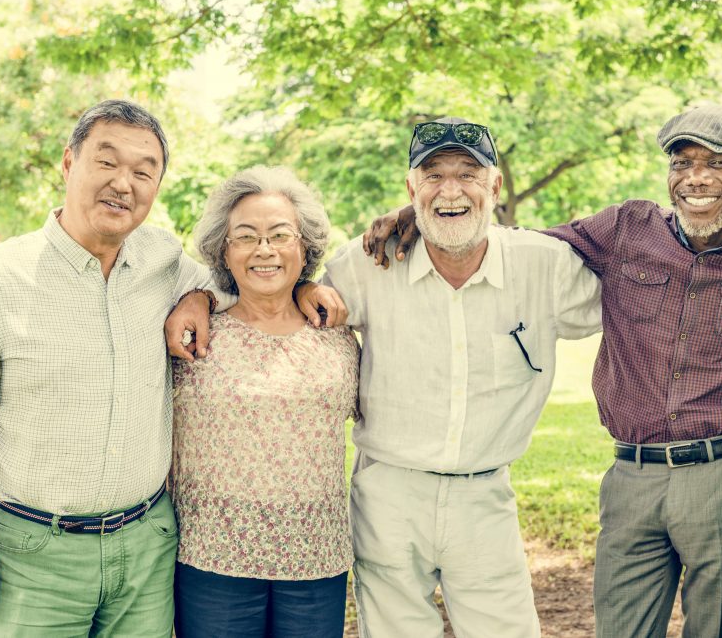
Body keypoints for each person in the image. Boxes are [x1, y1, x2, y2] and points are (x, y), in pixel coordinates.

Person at [360, 105, 722, 637]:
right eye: (683, 162)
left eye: (719, 164)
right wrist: (421, 212)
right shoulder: (625, 229)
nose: (697, 177)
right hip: (631, 477)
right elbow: (508, 246)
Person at [166, 116, 603, 636]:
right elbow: (272, 287)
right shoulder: (368, 264)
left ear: (495, 185)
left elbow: (634, 298)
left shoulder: (544, 265)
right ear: (411, 188)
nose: (451, 190)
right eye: (433, 176)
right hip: (388, 493)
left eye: (468, 173)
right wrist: (203, 296)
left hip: (486, 493)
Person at [0, 100, 210, 636]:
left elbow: (239, 277)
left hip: (146, 547)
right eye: (107, 162)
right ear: (68, 163)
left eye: (144, 171)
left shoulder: (163, 259)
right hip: (33, 555)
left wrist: (198, 297)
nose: (124, 183)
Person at [169, 166, 359, 637]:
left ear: (304, 248)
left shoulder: (336, 338)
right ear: (223, 252)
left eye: (280, 235)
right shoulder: (193, 336)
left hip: (317, 558)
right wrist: (199, 296)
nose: (265, 249)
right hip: (212, 557)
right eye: (246, 237)